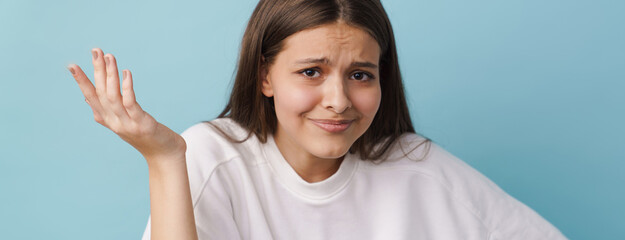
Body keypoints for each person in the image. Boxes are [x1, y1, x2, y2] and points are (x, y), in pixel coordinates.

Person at [67, 0, 567, 239]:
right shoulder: (213, 157)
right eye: (311, 71)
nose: (338, 100)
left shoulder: (418, 167)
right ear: (265, 76)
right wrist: (164, 159)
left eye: (360, 75)